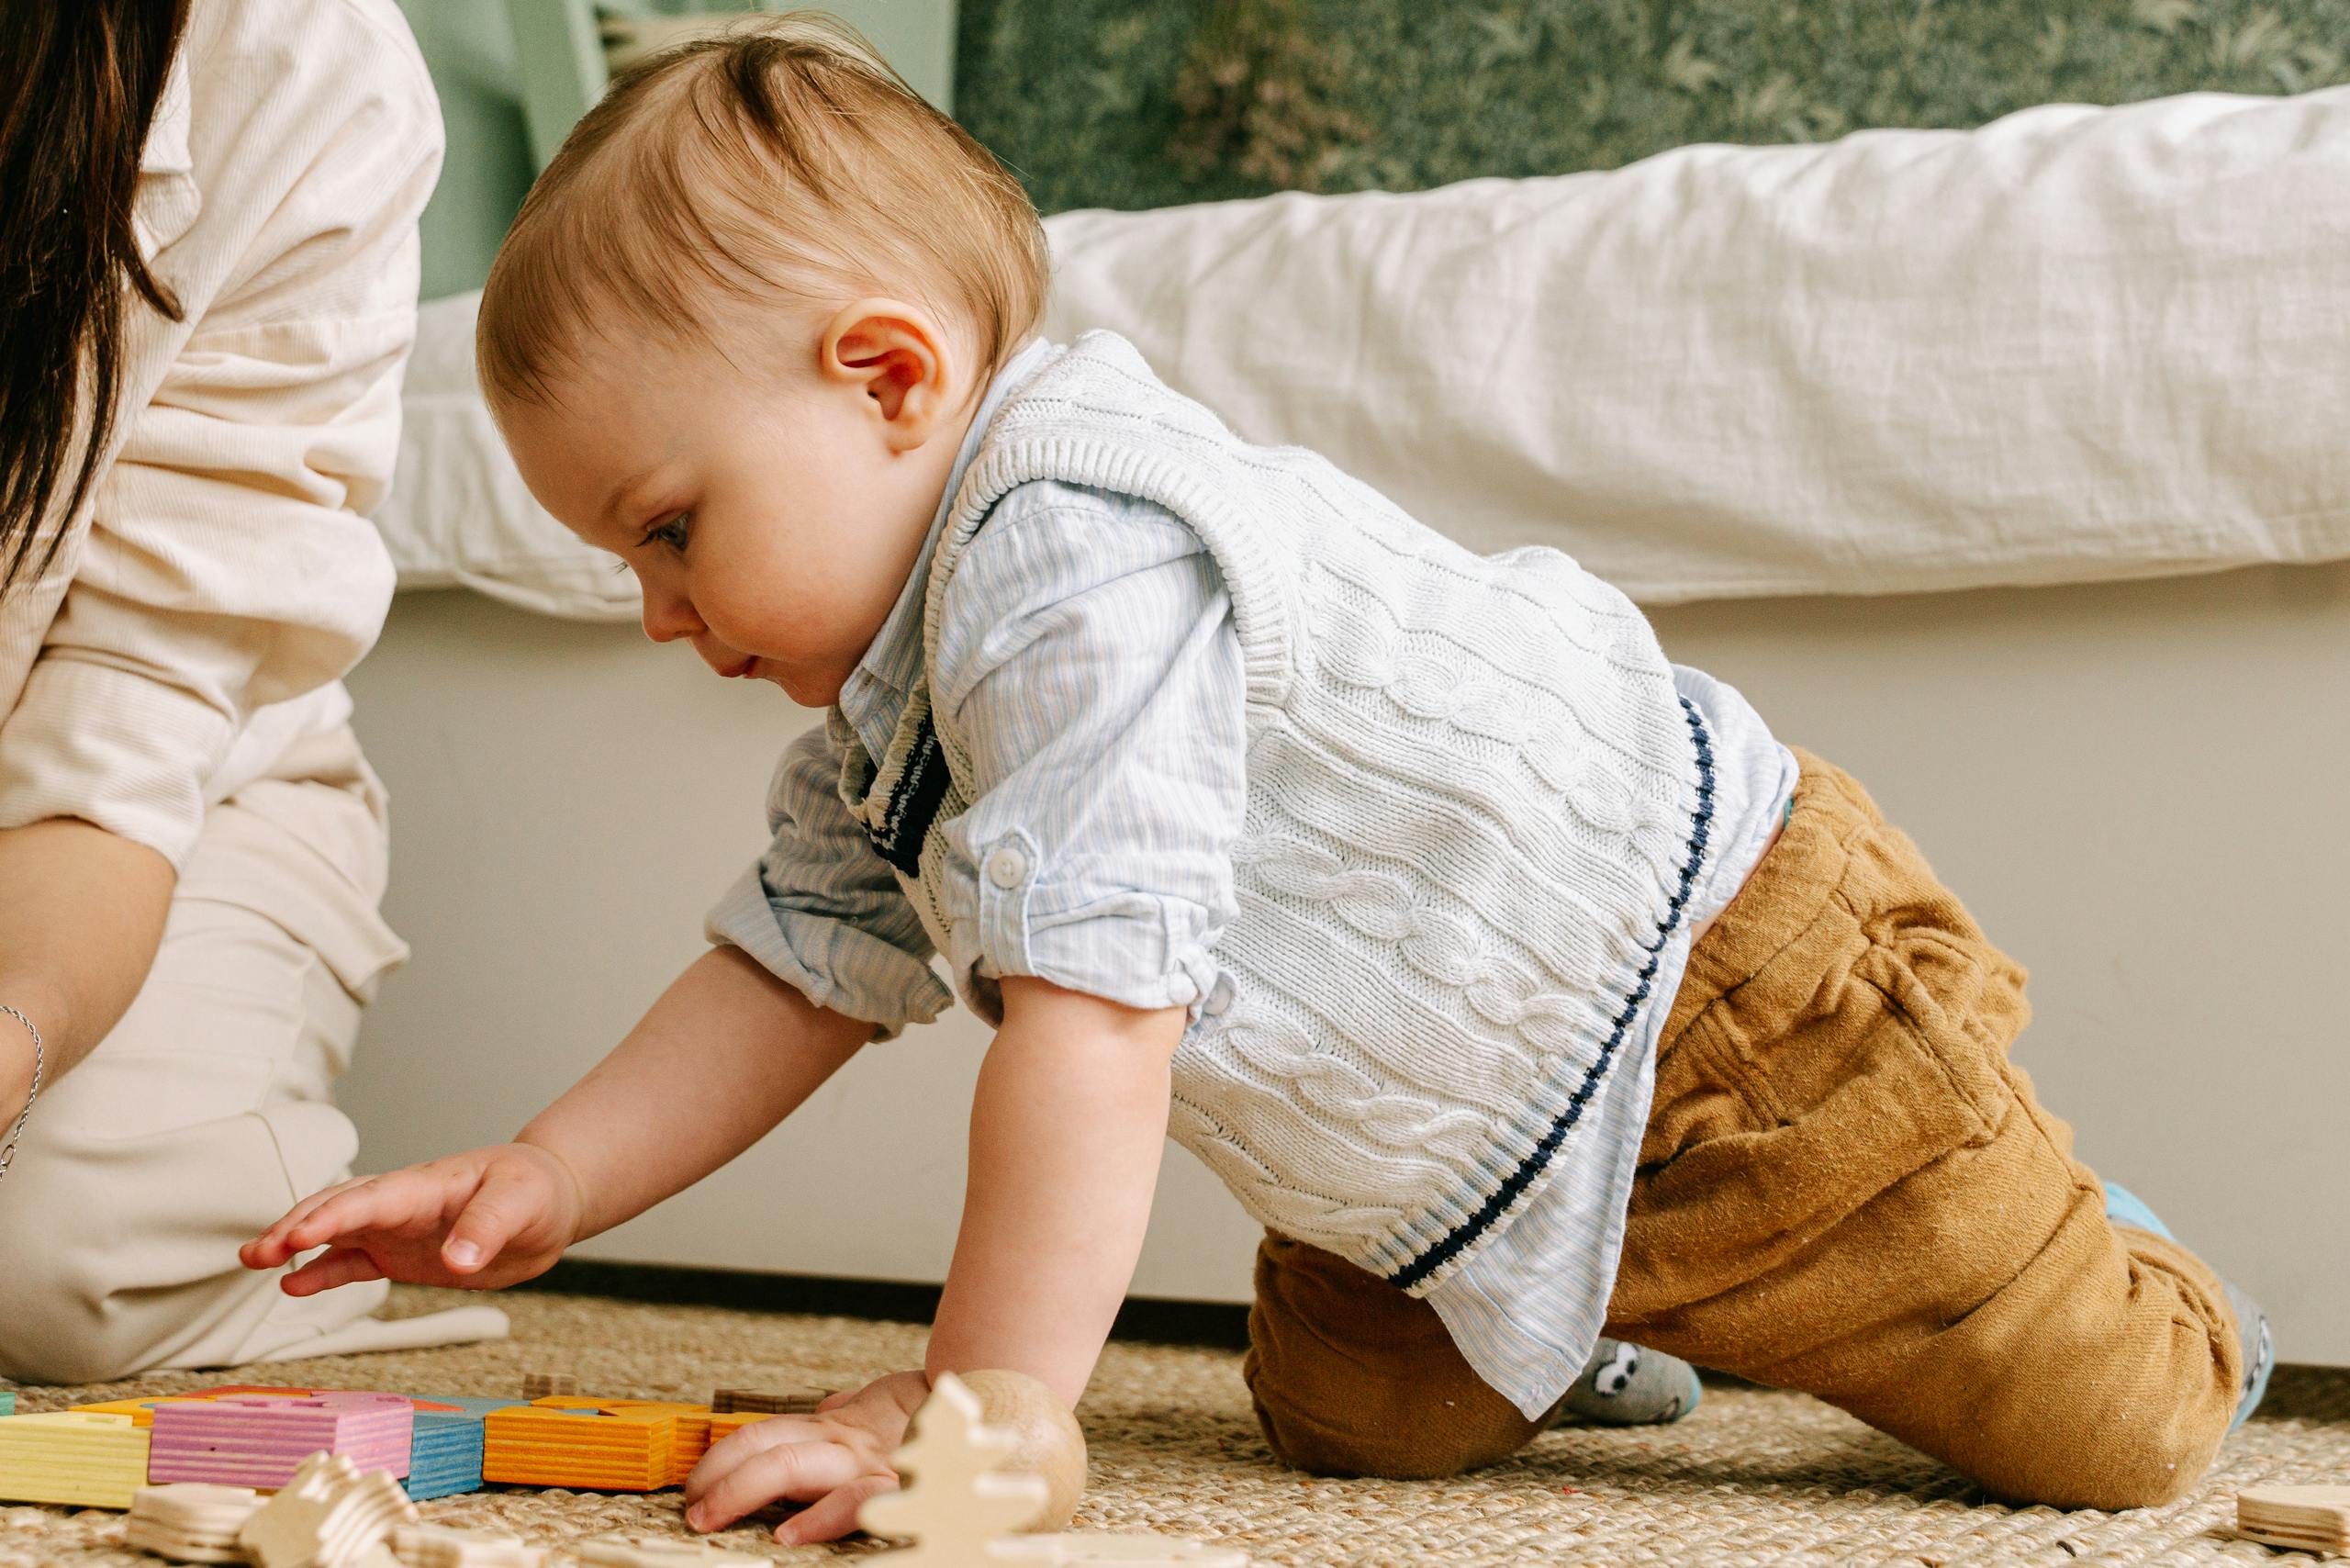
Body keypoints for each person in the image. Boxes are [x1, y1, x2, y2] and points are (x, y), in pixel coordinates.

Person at [243, 16, 2272, 1541]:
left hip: (1725, 1013)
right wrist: (547, 1177)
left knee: (2113, 1426)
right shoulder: (880, 708)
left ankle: (2080, 1222)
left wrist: (994, 1411)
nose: (653, 607)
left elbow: (1095, 1019)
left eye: (669, 525)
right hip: (1429, 1150)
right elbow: (790, 968)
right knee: (1345, 1422)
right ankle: (1588, 1321)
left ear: (885, 380)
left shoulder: (1068, 552)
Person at [0, 0, 504, 1381]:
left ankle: (282, 1231)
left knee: (56, 1272)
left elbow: (123, 731)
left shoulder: (295, 71)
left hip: (133, 808)